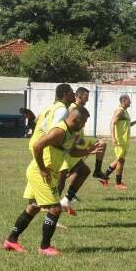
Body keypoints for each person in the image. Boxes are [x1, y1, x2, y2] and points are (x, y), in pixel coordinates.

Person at [3, 107, 101, 256]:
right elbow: (37, 146)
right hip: (40, 173)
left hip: (45, 172)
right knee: (55, 208)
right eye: (84, 121)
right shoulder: (59, 130)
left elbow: (72, 151)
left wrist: (87, 151)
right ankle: (44, 247)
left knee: (34, 206)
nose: (84, 125)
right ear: (76, 119)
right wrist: (42, 169)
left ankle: (11, 240)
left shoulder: (72, 132)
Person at [57, 87, 108, 215]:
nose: (87, 100)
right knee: (61, 178)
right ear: (77, 96)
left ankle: (66, 200)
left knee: (84, 169)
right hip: (70, 146)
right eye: (85, 97)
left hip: (78, 143)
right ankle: (51, 206)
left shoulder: (79, 109)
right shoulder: (71, 109)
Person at [103, 94, 136, 189]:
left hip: (124, 141)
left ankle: (104, 177)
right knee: (121, 161)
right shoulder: (119, 111)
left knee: (119, 160)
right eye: (129, 101)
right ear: (124, 101)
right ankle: (118, 183)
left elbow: (127, 125)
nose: (131, 102)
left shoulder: (124, 111)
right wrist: (113, 138)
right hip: (119, 140)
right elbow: (112, 123)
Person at [28, 84, 75, 153]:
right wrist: (63, 149)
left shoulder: (52, 106)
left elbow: (37, 121)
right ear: (65, 95)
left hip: (38, 143)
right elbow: (53, 133)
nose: (74, 94)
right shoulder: (62, 110)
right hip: (44, 147)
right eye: (72, 92)